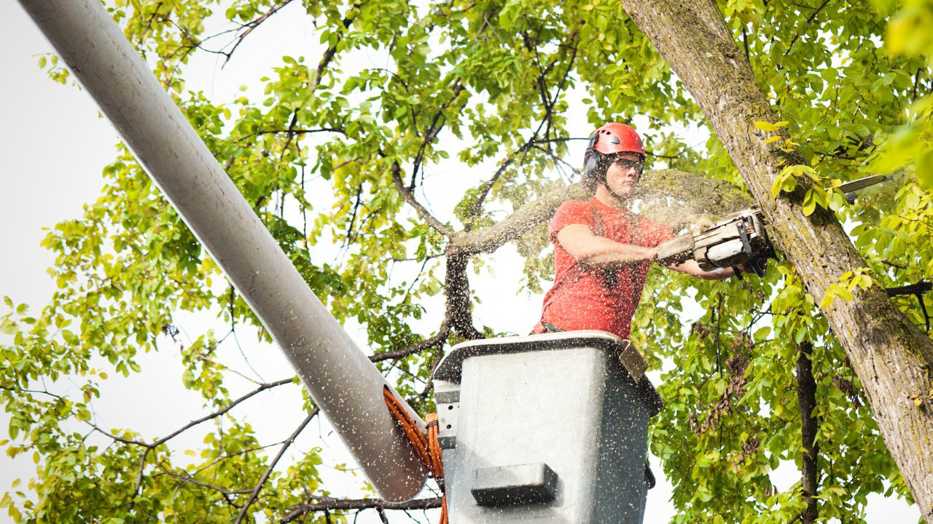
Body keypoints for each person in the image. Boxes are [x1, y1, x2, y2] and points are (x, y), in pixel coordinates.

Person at [534, 122, 740, 338]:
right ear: (599, 166)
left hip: (610, 349)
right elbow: (587, 250)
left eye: (637, 166)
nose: (632, 172)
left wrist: (737, 263)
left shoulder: (647, 229)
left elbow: (698, 266)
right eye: (623, 163)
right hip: (558, 340)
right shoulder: (576, 210)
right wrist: (649, 253)